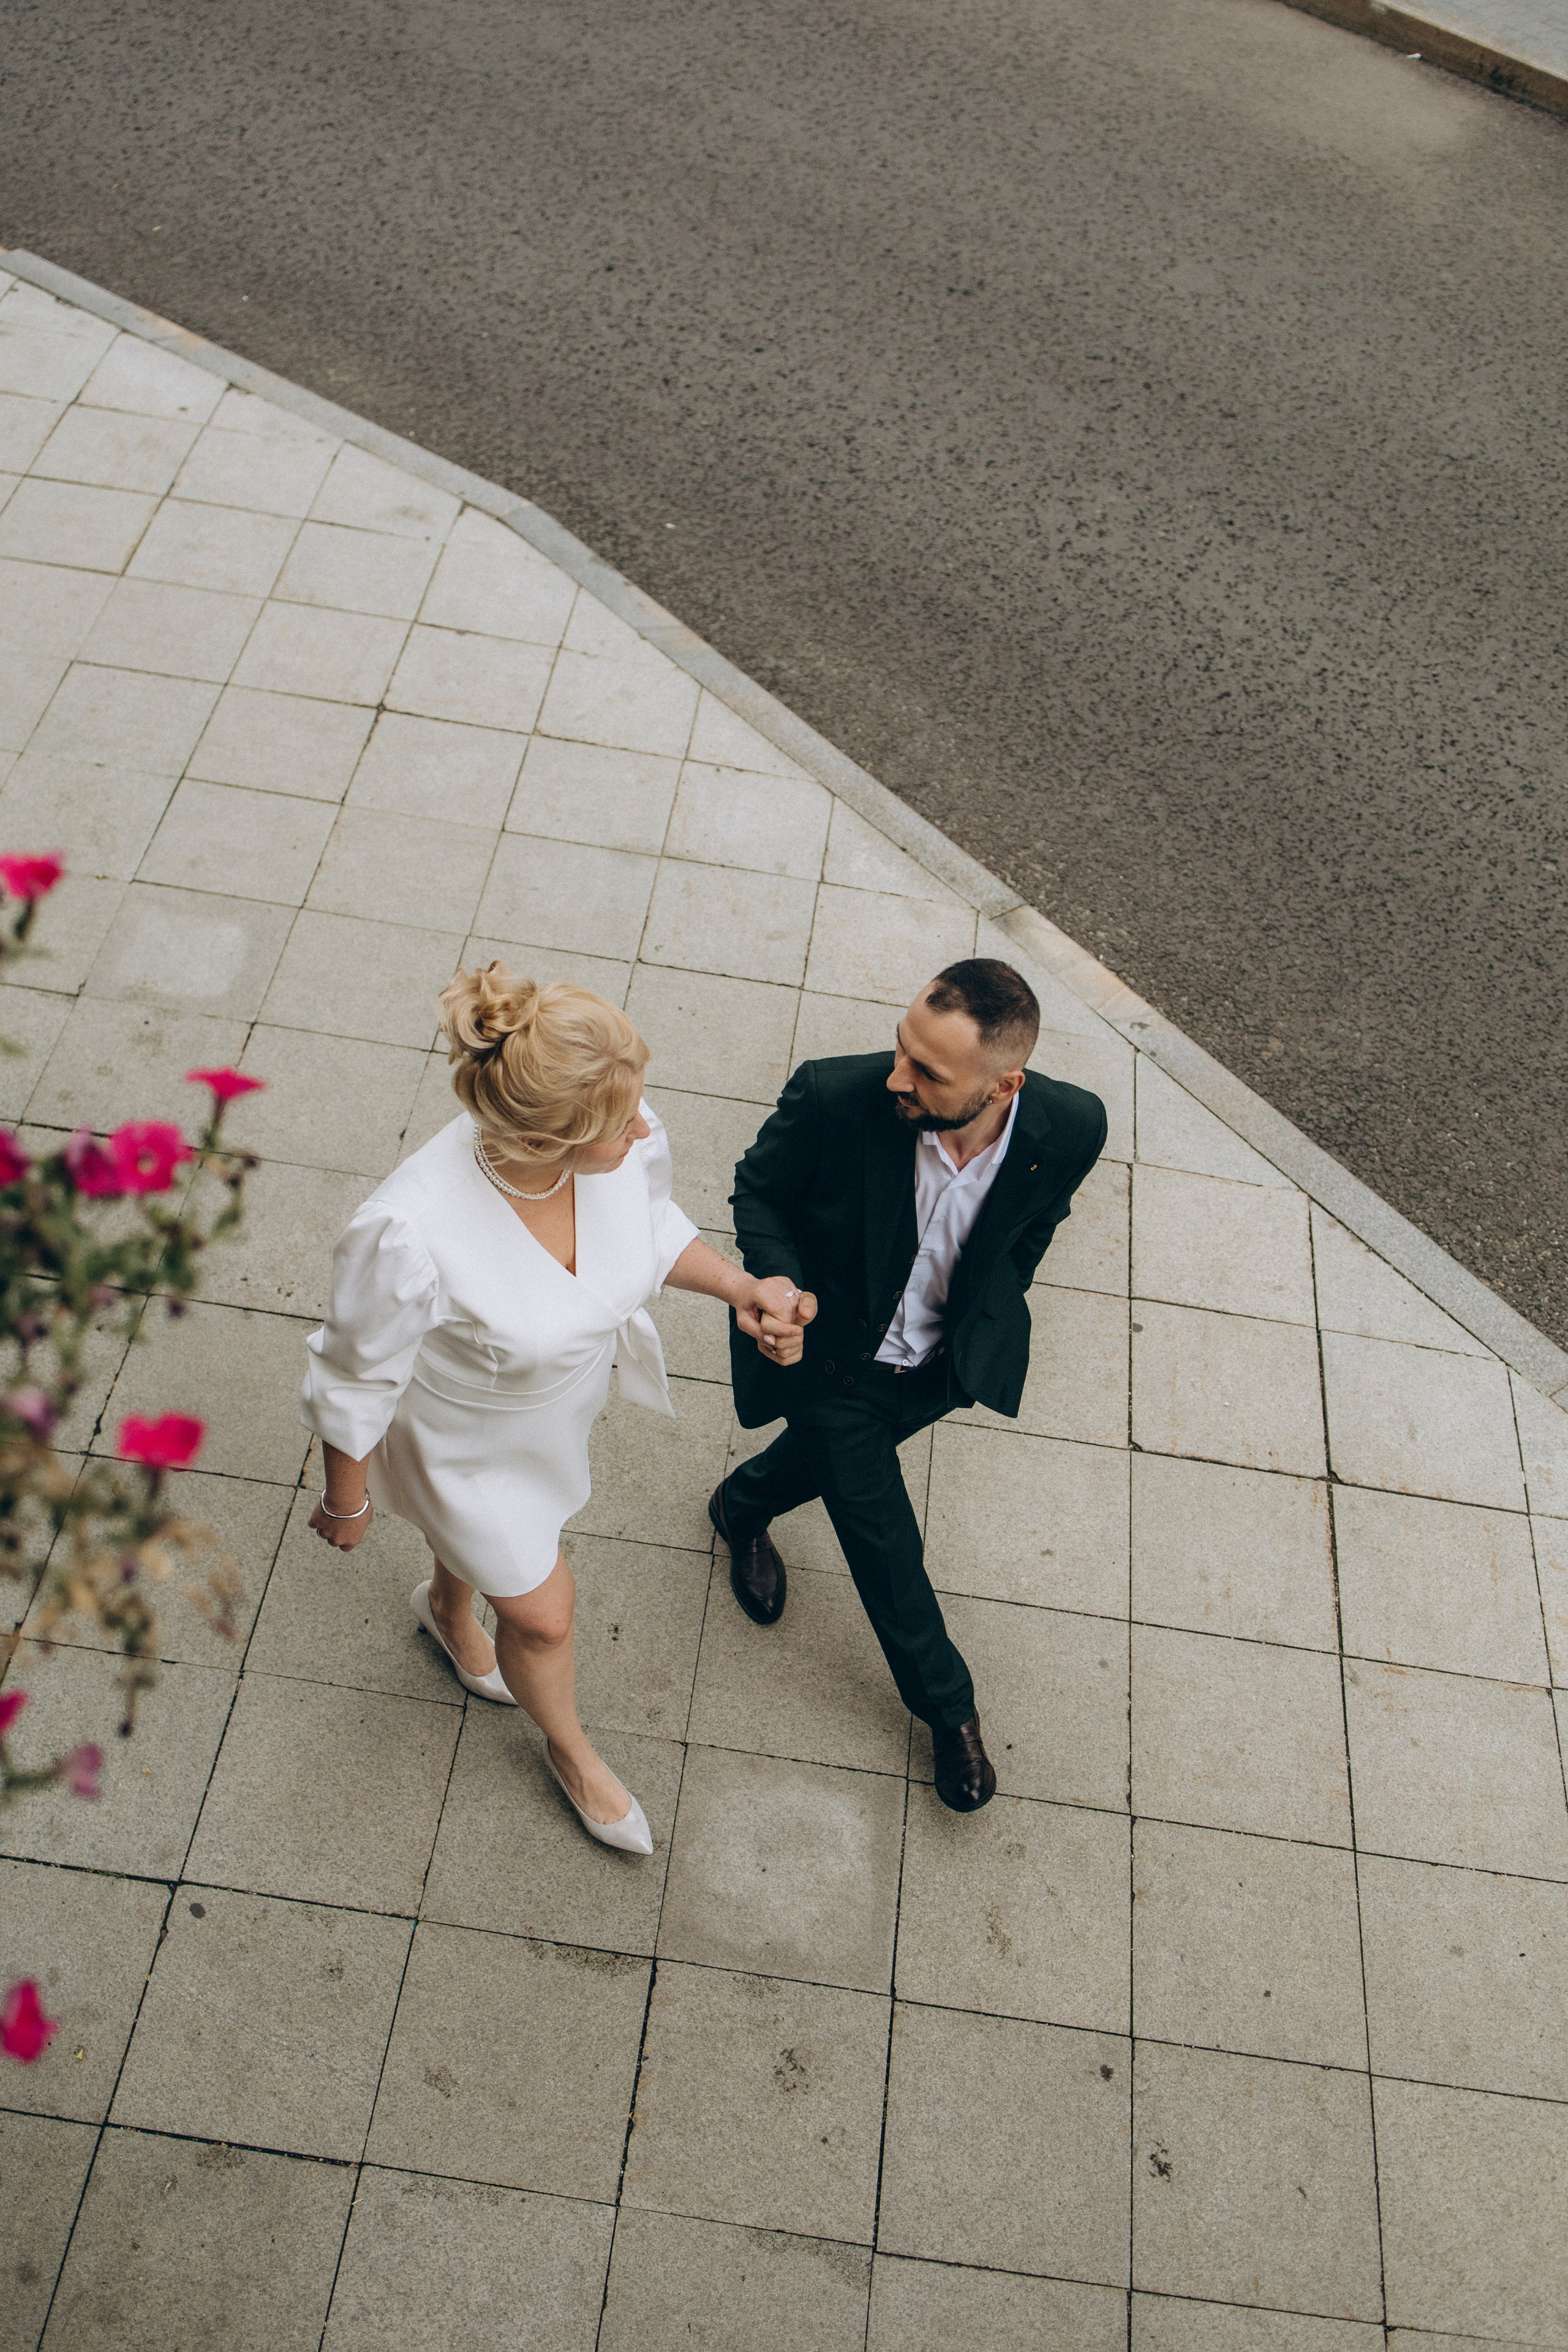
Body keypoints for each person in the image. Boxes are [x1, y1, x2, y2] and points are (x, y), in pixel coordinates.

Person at [301, 965, 803, 1855]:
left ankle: (447, 1606)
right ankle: (573, 1753)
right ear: (539, 1139)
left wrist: (739, 1287)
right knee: (543, 1614)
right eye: (621, 1125)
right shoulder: (410, 1230)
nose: (643, 1129)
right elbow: (355, 1373)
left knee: (492, 1564)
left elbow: (651, 1224)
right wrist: (348, 1500)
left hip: (552, 1410)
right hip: (461, 1443)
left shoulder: (616, 1125)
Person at [709, 958, 1107, 1812]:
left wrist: (994, 1306)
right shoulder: (834, 1096)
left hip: (937, 1370)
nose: (898, 1076)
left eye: (927, 1071)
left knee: (830, 1469)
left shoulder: (1074, 1125)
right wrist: (776, 1284)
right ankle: (949, 1709)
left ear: (1004, 1085)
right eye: (901, 1048)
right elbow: (759, 1191)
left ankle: (741, 1505)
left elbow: (1037, 1224)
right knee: (884, 1539)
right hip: (831, 1360)